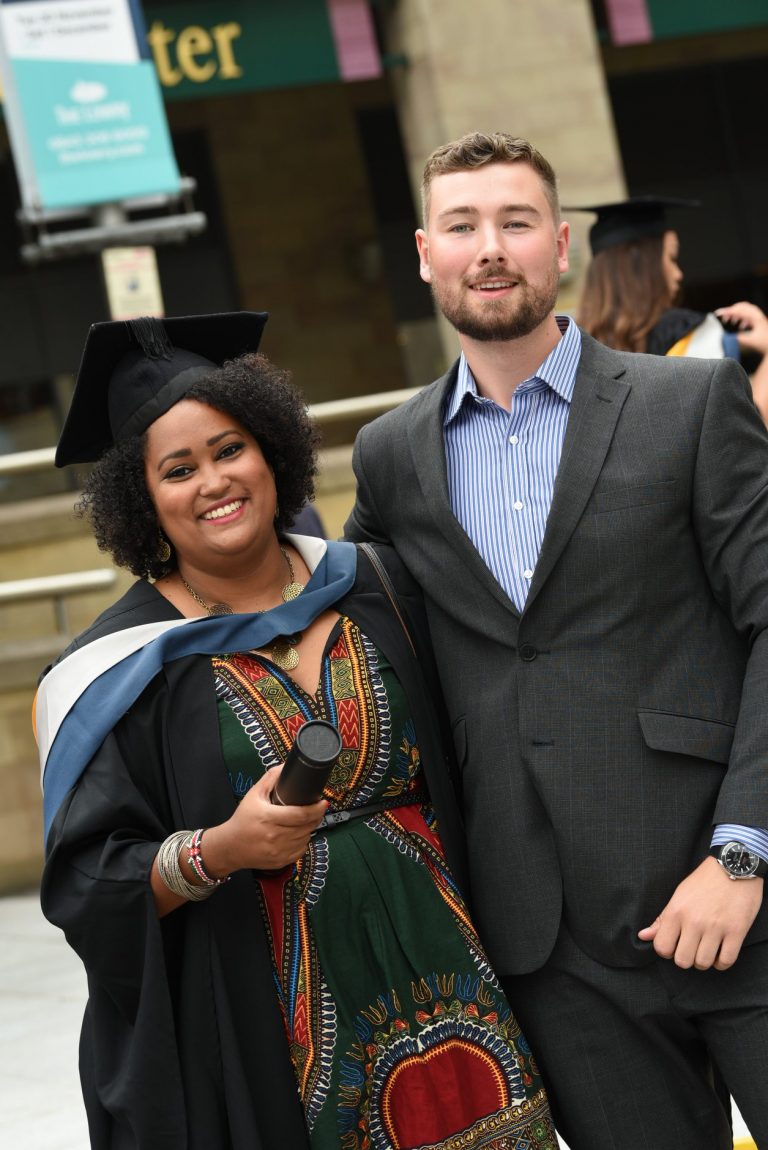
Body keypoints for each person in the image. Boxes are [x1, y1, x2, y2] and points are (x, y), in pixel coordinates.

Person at [37, 311, 557, 1150]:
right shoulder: (116, 671)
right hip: (270, 1027)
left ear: (273, 451)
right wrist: (219, 850)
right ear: (144, 501)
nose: (213, 481)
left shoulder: (376, 585)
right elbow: (89, 888)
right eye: (178, 469)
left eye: (229, 449)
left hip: (457, 975)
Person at [343, 132, 768, 1150]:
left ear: (561, 243)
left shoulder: (687, 401)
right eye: (463, 225)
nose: (490, 247)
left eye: (516, 222)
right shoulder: (391, 455)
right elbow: (341, 631)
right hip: (554, 946)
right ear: (424, 251)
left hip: (733, 893)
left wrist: (744, 852)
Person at [574, 196, 768, 417]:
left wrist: (737, 341)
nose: (679, 274)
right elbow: (745, 427)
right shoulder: (683, 332)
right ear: (643, 267)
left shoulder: (576, 349)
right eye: (672, 258)